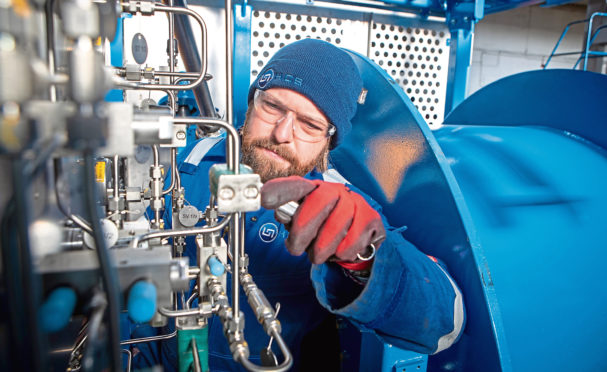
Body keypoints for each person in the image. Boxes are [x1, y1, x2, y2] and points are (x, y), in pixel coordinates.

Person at [149, 38, 464, 371]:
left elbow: (448, 324)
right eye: (272, 107)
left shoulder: (340, 208)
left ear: (330, 141)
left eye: (310, 125)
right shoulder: (184, 164)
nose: (282, 133)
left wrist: (363, 260)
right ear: (253, 101)